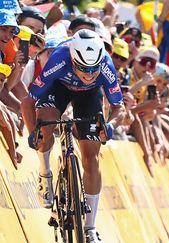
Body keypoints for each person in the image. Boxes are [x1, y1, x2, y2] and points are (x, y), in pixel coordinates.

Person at [21, 29, 125, 243]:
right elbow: (28, 102)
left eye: (93, 68)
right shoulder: (59, 59)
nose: (89, 74)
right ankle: (45, 173)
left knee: (91, 157)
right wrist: (34, 134)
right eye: (83, 68)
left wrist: (111, 125)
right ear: (73, 59)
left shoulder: (105, 66)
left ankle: (90, 227)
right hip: (58, 87)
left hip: (89, 96)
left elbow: (119, 107)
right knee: (45, 128)